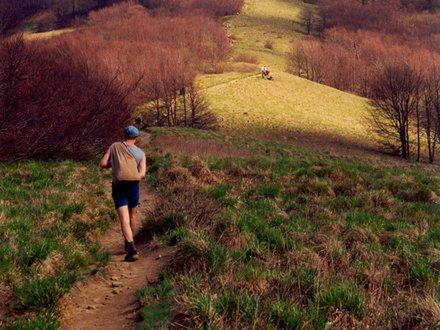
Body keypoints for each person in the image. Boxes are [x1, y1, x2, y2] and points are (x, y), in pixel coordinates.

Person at [99, 126, 147, 262]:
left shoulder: (115, 146)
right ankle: (131, 242)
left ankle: (131, 249)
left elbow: (102, 163)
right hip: (134, 186)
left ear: (124, 134)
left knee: (123, 218)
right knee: (132, 215)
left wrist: (114, 165)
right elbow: (142, 174)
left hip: (119, 186)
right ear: (136, 138)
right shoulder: (141, 153)